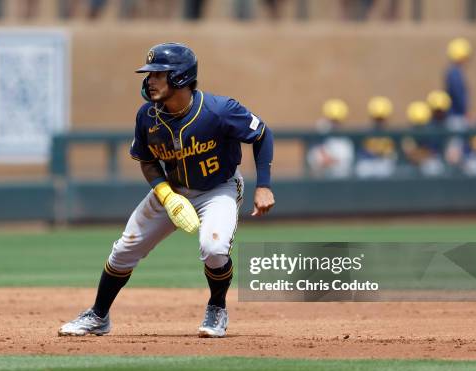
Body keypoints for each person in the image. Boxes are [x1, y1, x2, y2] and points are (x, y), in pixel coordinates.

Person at [58, 43, 275, 338]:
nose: (150, 80)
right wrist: (166, 195)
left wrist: (263, 185)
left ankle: (217, 308)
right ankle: (98, 315)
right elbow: (147, 160)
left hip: (217, 188)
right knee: (123, 250)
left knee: (214, 248)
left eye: (158, 74)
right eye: (149, 74)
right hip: (171, 189)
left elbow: (262, 133)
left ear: (181, 77)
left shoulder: (218, 110)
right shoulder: (146, 116)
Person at [308, 98, 355, 178]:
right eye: (332, 120)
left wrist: (331, 161)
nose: (334, 124)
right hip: (321, 183)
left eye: (337, 121)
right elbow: (313, 160)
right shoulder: (319, 137)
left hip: (341, 183)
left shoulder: (346, 142)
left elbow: (346, 165)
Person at [355, 96, 396, 178]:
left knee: (387, 168)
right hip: (368, 162)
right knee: (362, 169)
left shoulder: (392, 133)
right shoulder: (366, 133)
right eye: (377, 118)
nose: (379, 121)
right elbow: (361, 152)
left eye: (381, 119)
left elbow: (393, 154)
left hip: (384, 162)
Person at [444, 38, 472, 131]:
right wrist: (464, 111)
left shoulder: (454, 72)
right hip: (456, 117)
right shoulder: (454, 73)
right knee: (456, 144)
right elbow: (458, 95)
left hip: (456, 116)